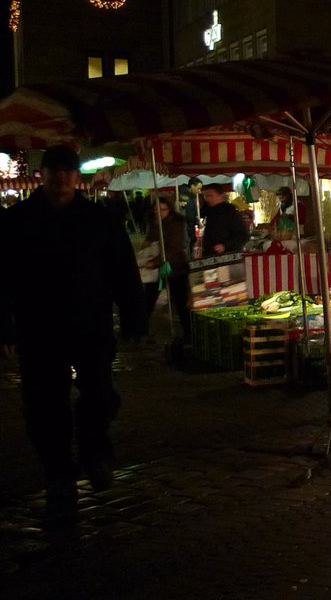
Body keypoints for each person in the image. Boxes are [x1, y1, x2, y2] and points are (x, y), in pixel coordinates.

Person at [0, 146, 146, 523]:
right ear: (42, 174)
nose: (60, 178)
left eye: (67, 171)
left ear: (76, 177)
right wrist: (5, 326)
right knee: (45, 404)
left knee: (98, 392)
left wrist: (134, 317)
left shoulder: (99, 219)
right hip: (38, 329)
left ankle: (95, 452)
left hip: (90, 325)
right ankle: (58, 472)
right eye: (54, 170)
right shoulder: (17, 221)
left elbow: (123, 271)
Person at [142, 196, 192, 344]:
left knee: (180, 300)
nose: (159, 212)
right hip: (157, 269)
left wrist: (156, 262)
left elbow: (175, 247)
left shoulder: (177, 223)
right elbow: (152, 241)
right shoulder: (154, 223)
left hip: (175, 267)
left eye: (162, 209)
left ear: (169, 209)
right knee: (148, 299)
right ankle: (141, 330)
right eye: (156, 209)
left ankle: (188, 332)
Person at [199, 184, 249, 255]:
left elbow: (242, 236)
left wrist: (225, 246)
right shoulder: (208, 211)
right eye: (206, 196)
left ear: (221, 195)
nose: (208, 199)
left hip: (227, 256)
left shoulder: (230, 212)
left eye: (211, 196)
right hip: (210, 254)